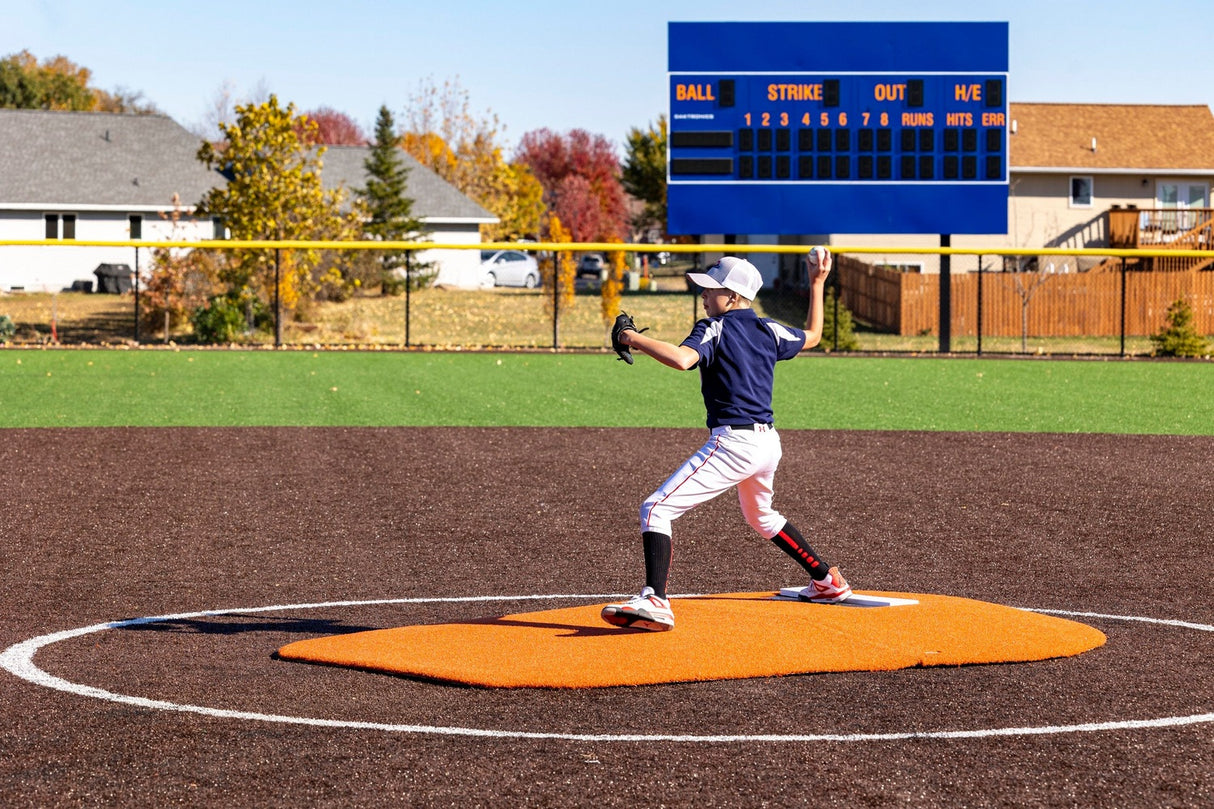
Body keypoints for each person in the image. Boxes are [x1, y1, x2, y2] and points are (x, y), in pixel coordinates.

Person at [601, 250, 851, 632]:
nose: (704, 294)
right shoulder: (770, 329)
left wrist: (630, 336)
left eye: (712, 289)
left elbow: (684, 360)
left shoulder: (713, 327)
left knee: (656, 509)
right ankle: (827, 581)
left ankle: (655, 599)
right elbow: (814, 336)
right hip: (768, 444)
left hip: (735, 443)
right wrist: (817, 283)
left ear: (733, 297)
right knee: (761, 516)